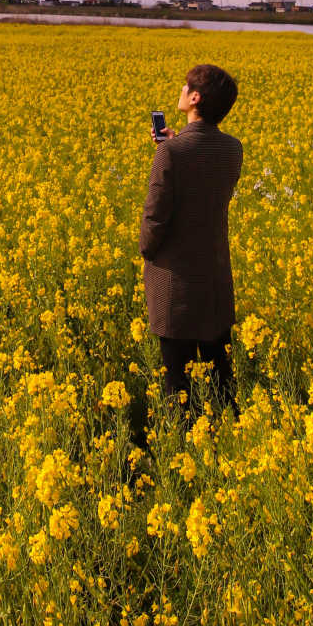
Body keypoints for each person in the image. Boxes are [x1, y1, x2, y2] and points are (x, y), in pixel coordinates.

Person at [139, 63, 242, 417]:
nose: (181, 91)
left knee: (176, 385)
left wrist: (147, 252)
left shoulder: (171, 153)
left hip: (176, 282)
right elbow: (203, 172)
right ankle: (230, 440)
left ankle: (183, 448)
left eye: (186, 87)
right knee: (221, 378)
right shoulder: (233, 149)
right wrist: (173, 143)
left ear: (195, 97)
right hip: (214, 281)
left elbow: (156, 216)